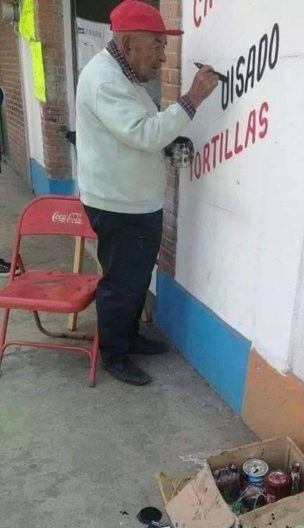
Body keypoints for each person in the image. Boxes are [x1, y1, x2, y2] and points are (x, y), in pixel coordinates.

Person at [75, 0, 218, 385]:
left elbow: (138, 132)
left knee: (135, 277)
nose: (162, 53)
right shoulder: (105, 79)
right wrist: (193, 99)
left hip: (133, 200)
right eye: (155, 44)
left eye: (163, 44)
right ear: (126, 44)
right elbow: (143, 133)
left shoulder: (126, 79)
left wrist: (165, 141)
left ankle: (129, 337)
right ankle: (113, 353)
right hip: (119, 204)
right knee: (122, 281)